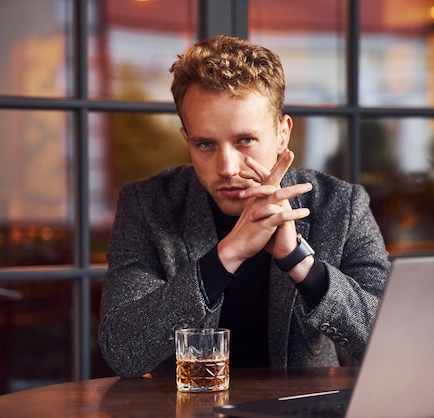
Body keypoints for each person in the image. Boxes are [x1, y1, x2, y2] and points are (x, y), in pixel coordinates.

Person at [99, 34, 390, 378]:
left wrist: (298, 261)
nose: (227, 168)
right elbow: (122, 349)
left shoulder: (341, 205)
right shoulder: (148, 204)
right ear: (186, 140)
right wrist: (228, 255)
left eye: (245, 141)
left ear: (282, 133)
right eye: (206, 144)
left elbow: (392, 340)